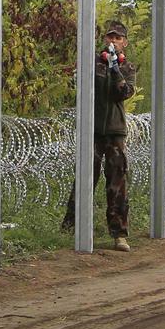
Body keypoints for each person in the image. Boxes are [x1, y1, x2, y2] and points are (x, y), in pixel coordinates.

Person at [62, 20, 137, 252]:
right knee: (85, 178)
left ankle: (119, 234)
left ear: (124, 42)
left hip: (115, 132)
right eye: (110, 37)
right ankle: (69, 229)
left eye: (117, 38)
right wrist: (101, 65)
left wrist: (115, 71)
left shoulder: (127, 68)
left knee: (117, 183)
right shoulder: (92, 63)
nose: (113, 41)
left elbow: (124, 93)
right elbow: (79, 85)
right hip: (92, 130)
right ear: (105, 40)